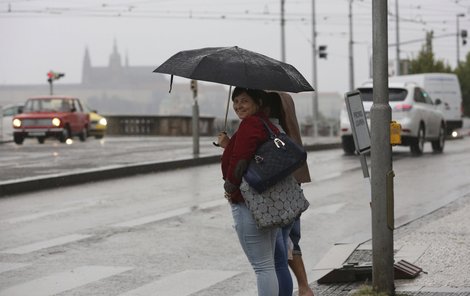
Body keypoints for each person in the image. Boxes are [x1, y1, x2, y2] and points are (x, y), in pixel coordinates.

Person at [217, 87, 282, 296]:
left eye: (244, 100)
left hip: (248, 201)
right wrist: (228, 145)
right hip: (265, 200)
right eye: (235, 101)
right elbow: (251, 155)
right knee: (268, 265)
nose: (238, 106)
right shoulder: (265, 123)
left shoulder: (250, 125)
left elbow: (241, 160)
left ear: (257, 102)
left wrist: (230, 187)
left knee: (262, 267)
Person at [264, 91, 315, 296]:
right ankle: (303, 287)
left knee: (284, 245)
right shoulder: (285, 96)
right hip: (294, 176)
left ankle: (303, 287)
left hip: (283, 181)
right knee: (289, 239)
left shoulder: (269, 98)